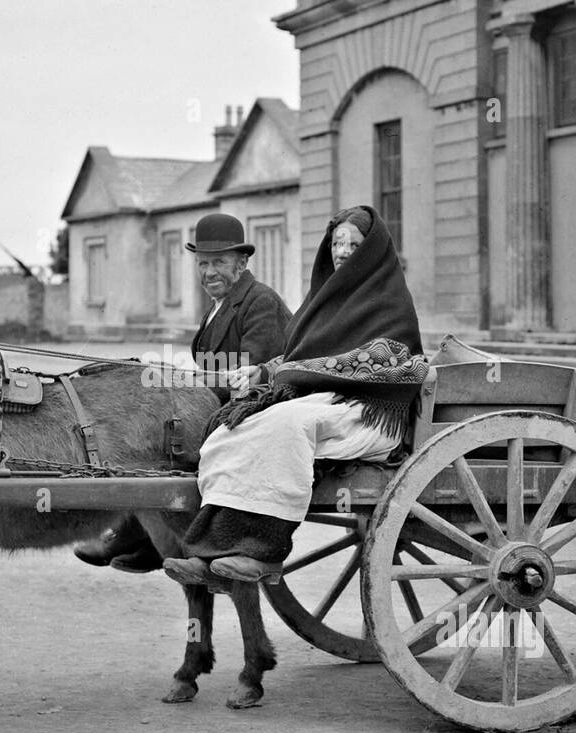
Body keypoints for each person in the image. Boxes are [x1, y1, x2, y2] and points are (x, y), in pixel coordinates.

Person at [163, 205, 426, 590]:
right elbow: (298, 355)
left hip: (367, 413)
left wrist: (290, 373)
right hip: (325, 405)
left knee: (286, 426)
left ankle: (265, 553)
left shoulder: (389, 301)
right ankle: (212, 551)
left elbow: (397, 365)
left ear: (370, 251)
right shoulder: (326, 298)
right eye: (337, 243)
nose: (343, 251)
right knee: (233, 427)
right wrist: (265, 371)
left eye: (354, 244)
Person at [74, 212, 291, 573]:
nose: (208, 273)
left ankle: (142, 537)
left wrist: (182, 379)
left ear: (242, 262)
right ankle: (148, 537)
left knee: (153, 439)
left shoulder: (259, 302)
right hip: (213, 408)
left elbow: (246, 375)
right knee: (145, 425)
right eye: (202, 264)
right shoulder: (218, 307)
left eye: (219, 262)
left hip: (250, 414)